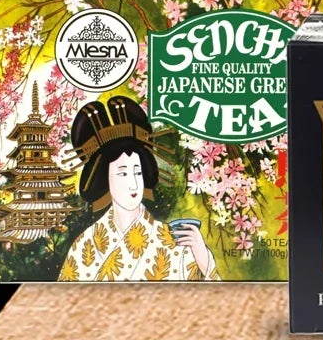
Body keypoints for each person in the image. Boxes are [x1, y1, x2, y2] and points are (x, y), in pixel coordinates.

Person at [59, 95, 215, 282]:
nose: (133, 184)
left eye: (138, 173)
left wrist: (204, 260)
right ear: (104, 179)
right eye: (123, 173)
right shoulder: (85, 247)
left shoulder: (175, 243)